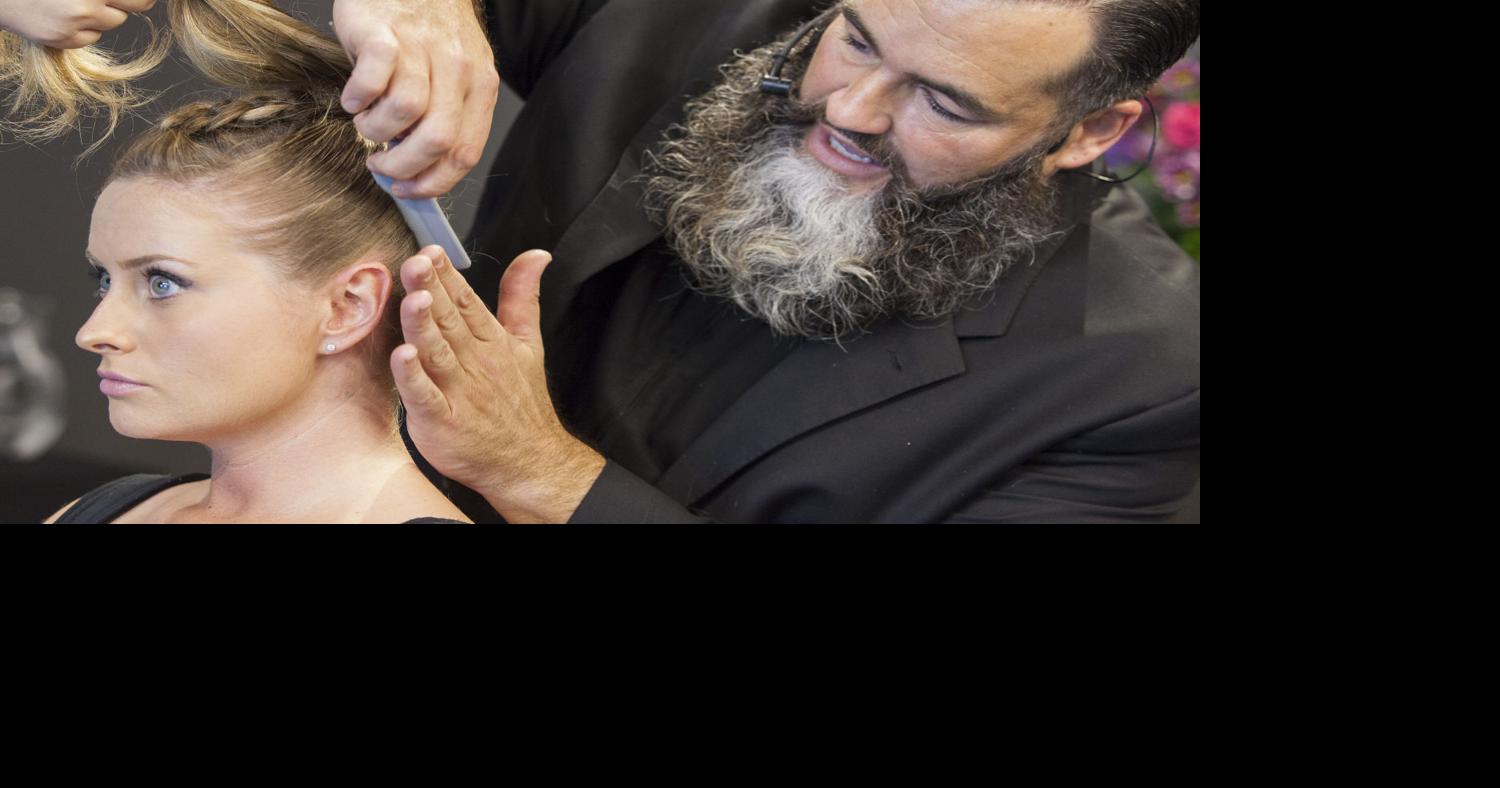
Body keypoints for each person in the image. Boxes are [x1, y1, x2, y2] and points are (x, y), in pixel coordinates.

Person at [6, 0, 1202, 524]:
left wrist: (549, 479)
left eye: (943, 98)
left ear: (1093, 128)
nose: (849, 106)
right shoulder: (692, 13)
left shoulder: (1136, 381)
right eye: (856, 34)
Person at [1, 1, 478, 523]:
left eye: (162, 282)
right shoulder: (101, 512)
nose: (94, 332)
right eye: (103, 280)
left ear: (347, 306)